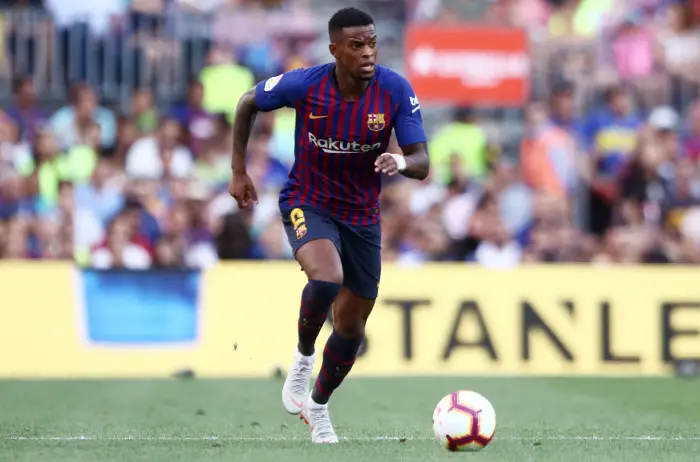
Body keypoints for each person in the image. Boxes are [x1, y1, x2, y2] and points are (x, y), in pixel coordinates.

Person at [228, 7, 430, 444]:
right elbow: (247, 102)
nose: (368, 52)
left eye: (372, 42)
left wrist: (400, 160)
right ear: (335, 49)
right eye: (356, 45)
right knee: (326, 279)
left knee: (352, 327)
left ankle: (318, 406)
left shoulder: (395, 90)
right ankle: (302, 360)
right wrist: (239, 171)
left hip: (362, 217)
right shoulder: (306, 84)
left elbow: (422, 161)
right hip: (309, 201)